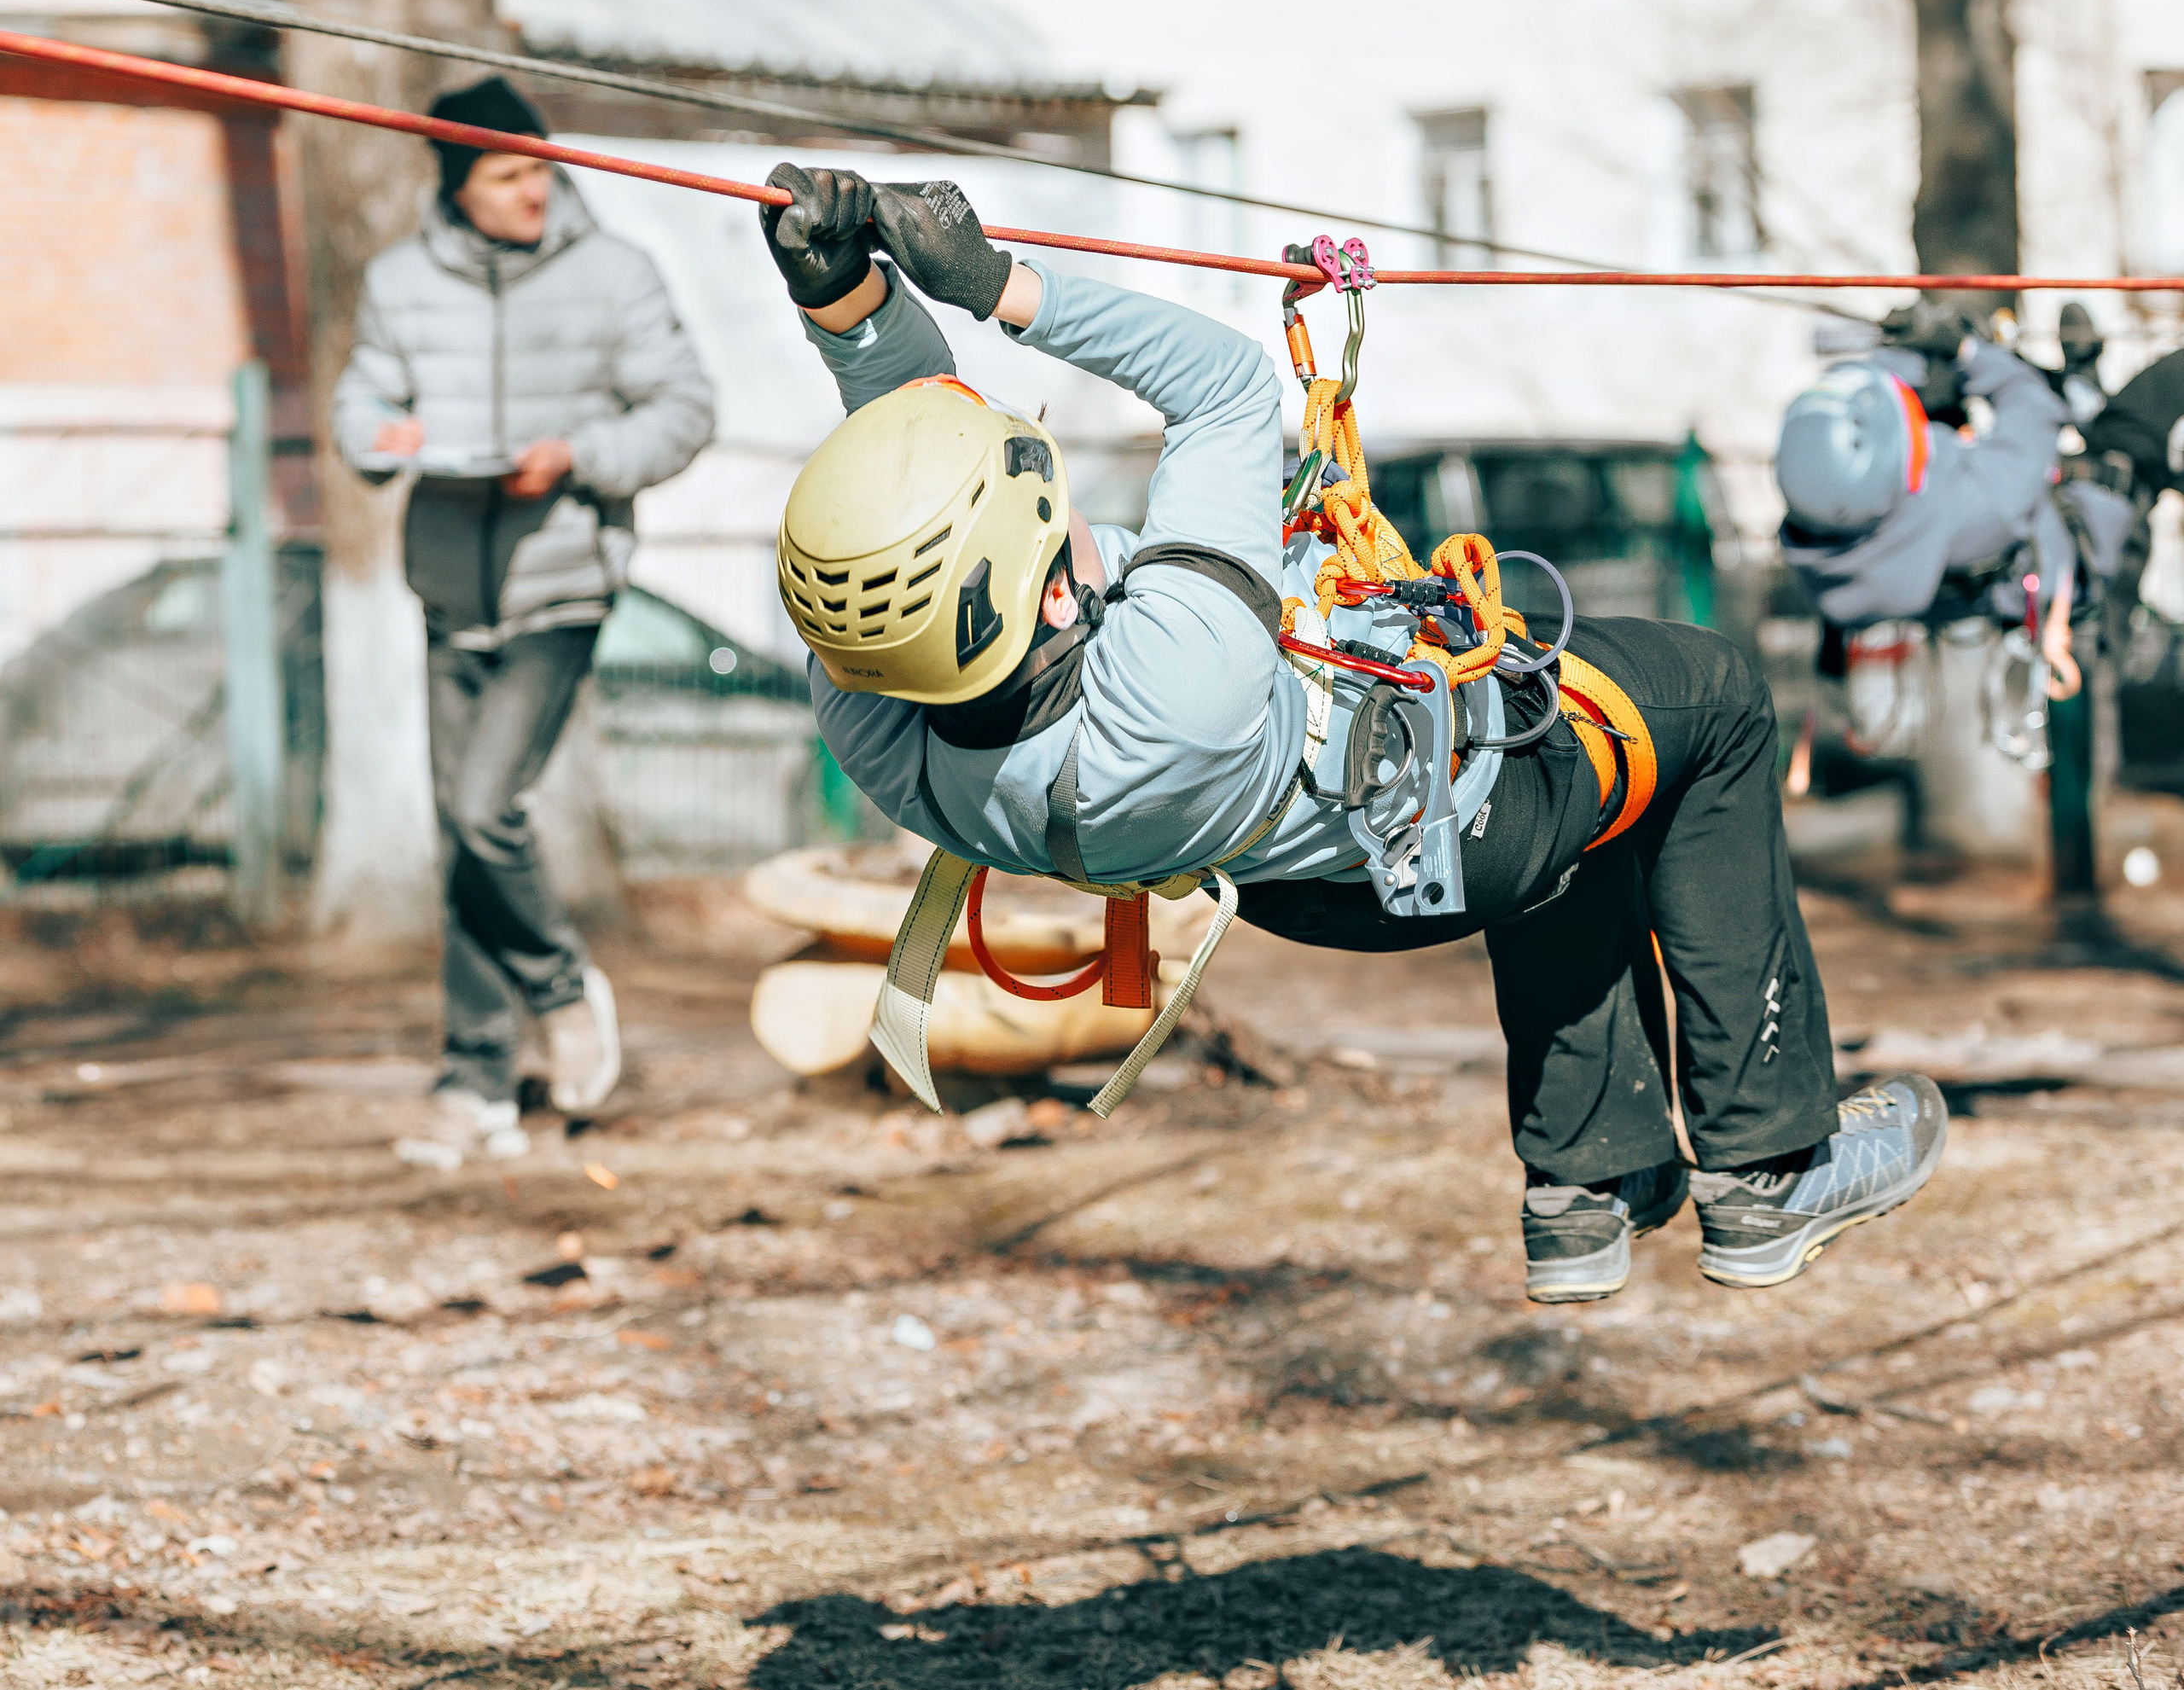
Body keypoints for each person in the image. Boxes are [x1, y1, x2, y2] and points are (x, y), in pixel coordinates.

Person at [756, 165, 1944, 1304]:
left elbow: (910, 444)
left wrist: (845, 301)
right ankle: (1769, 1170)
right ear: (1056, 599)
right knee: (1714, 699)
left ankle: (1589, 1187)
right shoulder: (1174, 681)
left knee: (1591, 788)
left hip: (1310, 881)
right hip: (1456, 814)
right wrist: (997, 282)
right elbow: (1220, 383)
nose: (1076, 519)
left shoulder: (877, 716)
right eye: (1054, 511)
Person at [334, 76, 715, 1169]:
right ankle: (474, 1081)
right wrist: (385, 437)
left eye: (541, 168)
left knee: (481, 803)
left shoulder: (615, 275)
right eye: (507, 175)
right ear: (457, 186)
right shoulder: (401, 282)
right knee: (465, 831)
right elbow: (361, 398)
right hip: (450, 584)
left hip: (561, 580)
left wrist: (578, 456)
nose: (534, 191)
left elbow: (686, 406)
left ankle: (560, 990)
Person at [1774, 311, 2132, 694]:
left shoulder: (1822, 539)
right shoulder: (1985, 501)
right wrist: (1968, 351)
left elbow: (1873, 415)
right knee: (2122, 443)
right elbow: (2029, 404)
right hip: (2070, 559)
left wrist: (1903, 349)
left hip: (1969, 587)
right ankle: (2086, 395)